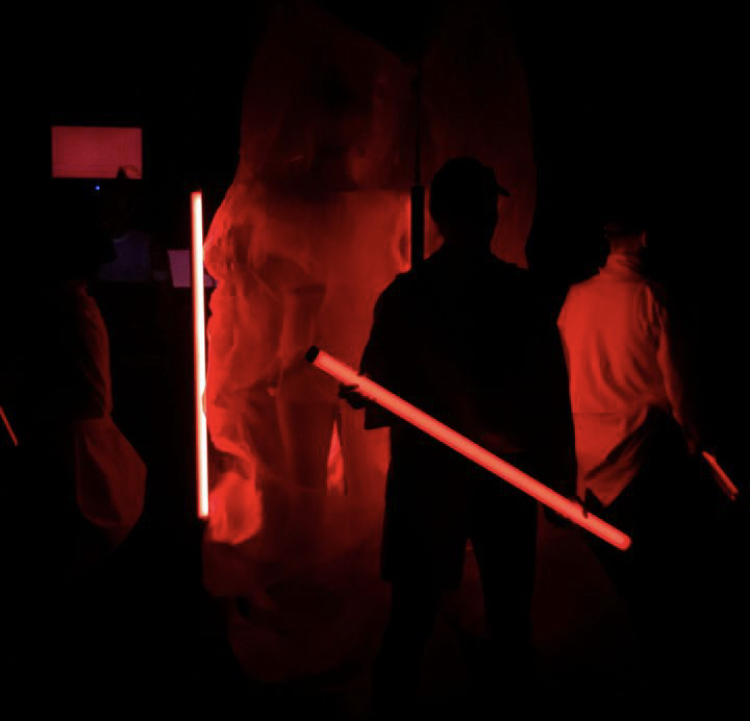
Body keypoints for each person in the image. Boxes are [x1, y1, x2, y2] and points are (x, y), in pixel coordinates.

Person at [341, 157, 576, 715]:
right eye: (486, 207)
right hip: (494, 478)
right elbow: (549, 393)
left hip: (436, 477)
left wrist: (366, 390)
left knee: (419, 618)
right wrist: (558, 478)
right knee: (496, 619)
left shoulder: (410, 295)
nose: (491, 217)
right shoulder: (517, 295)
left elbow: (374, 383)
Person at [556, 211, 714, 695]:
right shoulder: (652, 298)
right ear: (647, 237)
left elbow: (563, 377)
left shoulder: (575, 298)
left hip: (586, 471)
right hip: (639, 466)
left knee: (619, 597)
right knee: (660, 599)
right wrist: (696, 442)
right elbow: (682, 393)